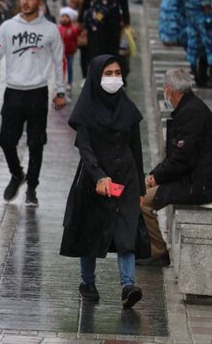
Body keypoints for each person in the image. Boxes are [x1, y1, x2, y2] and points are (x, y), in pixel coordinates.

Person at [60, 54, 145, 308]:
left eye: (117, 73)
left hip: (126, 179)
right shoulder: (86, 109)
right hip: (94, 181)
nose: (114, 78)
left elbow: (136, 148)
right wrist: (99, 175)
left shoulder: (127, 108)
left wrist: (139, 186)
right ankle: (87, 282)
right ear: (97, 77)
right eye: (108, 74)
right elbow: (84, 147)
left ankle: (128, 285)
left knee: (126, 230)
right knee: (91, 232)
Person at [0, 0, 66, 206]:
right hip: (13, 92)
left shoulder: (50, 29)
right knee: (5, 140)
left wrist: (60, 91)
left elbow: (60, 62)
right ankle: (17, 174)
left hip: (37, 93)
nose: (25, 2)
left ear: (40, 1)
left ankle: (32, 188)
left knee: (36, 143)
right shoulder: (8, 27)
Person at [139, 68, 212, 266]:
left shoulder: (191, 113)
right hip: (191, 179)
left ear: (169, 90)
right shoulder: (189, 108)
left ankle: (158, 252)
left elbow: (182, 159)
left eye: (165, 88)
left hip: (198, 185)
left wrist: (156, 177)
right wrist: (155, 175)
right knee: (143, 187)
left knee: (143, 200)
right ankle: (151, 248)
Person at [57, 6, 79, 91]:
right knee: (61, 67)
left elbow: (75, 39)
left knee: (69, 66)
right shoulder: (58, 28)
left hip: (70, 51)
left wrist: (74, 47)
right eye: (63, 16)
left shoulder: (73, 29)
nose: (65, 18)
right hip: (61, 52)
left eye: (67, 16)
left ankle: (69, 82)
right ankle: (61, 81)